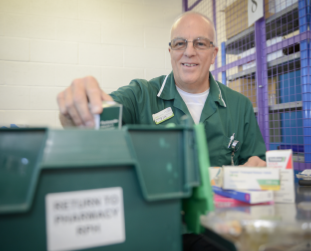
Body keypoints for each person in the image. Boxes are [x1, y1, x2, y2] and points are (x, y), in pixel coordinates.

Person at [57, 11, 266, 167]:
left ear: (214, 54)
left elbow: (257, 163)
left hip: (220, 222)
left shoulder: (240, 106)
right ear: (170, 51)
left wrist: (258, 167)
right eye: (179, 43)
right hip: (159, 220)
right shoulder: (141, 95)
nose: (189, 52)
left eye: (200, 44)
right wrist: (77, 109)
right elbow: (94, 118)